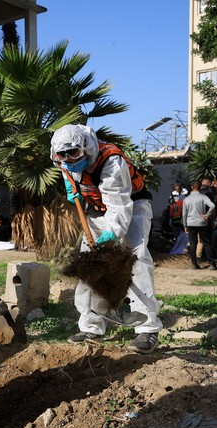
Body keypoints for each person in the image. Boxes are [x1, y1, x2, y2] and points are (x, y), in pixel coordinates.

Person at [50, 124, 162, 353]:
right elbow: (67, 171)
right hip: (94, 209)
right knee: (87, 265)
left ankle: (148, 330)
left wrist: (110, 237)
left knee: (136, 260)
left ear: (84, 149)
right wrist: (71, 186)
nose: (68, 160)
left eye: (73, 154)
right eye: (63, 156)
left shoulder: (111, 160)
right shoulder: (62, 158)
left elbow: (119, 206)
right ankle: (91, 326)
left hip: (132, 206)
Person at [183, 180, 217, 270]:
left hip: (190, 223)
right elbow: (212, 206)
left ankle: (194, 264)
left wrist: (185, 225)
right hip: (202, 222)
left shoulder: (186, 199)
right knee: (206, 243)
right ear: (200, 187)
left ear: (191, 187)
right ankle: (212, 264)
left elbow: (184, 214)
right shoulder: (203, 197)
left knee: (193, 244)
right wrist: (207, 215)